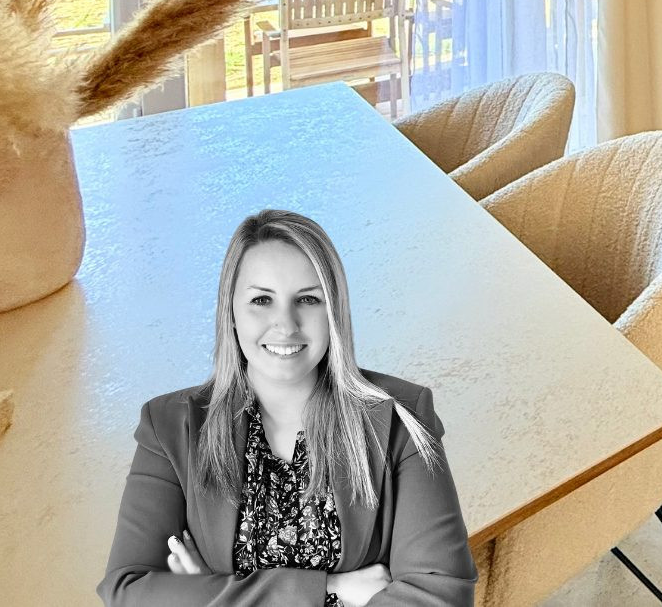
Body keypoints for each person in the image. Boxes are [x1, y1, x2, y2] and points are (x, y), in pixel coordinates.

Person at [98, 209, 476, 605]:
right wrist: (333, 589)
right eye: (261, 300)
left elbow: (442, 596)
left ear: (334, 311)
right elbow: (127, 591)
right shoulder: (168, 426)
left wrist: (215, 592)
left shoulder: (402, 415)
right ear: (230, 311)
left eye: (308, 299)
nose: (286, 324)